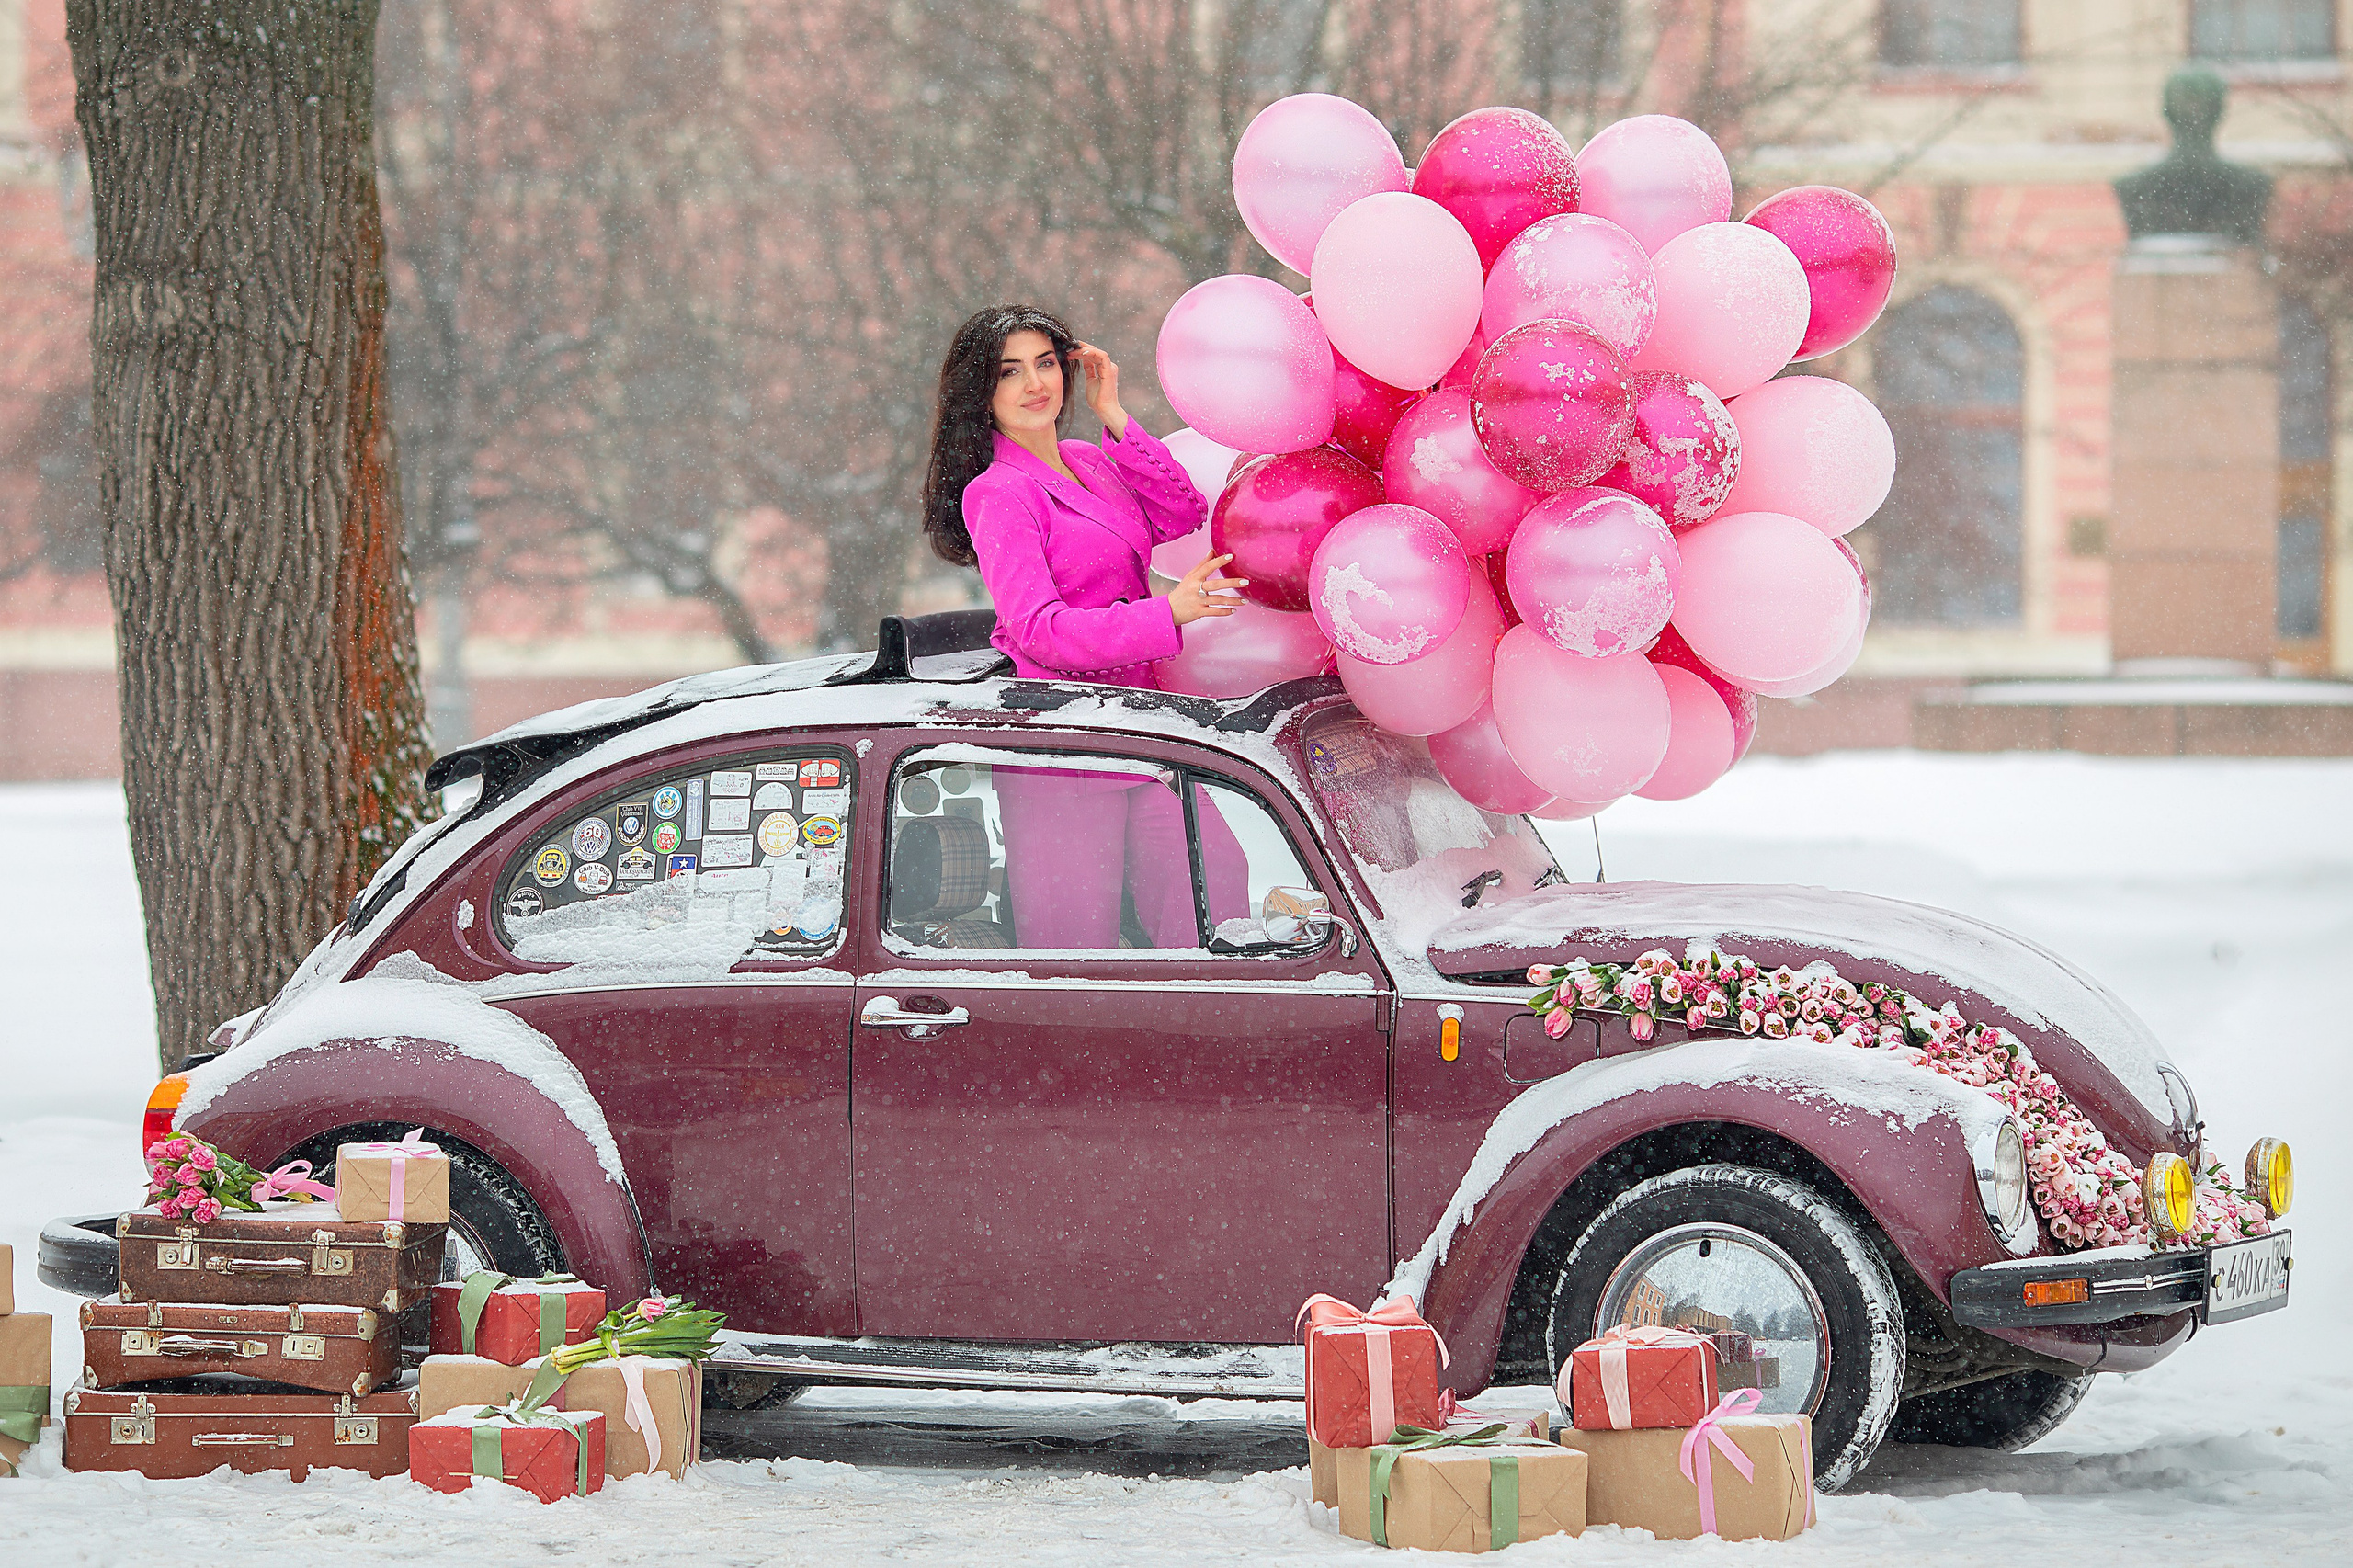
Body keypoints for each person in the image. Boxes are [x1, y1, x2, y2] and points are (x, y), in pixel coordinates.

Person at [918, 305, 1249, 949]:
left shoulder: (1088, 460)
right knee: (1076, 947)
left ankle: (1195, 1040)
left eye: (1045, 364)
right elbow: (1040, 631)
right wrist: (1168, 613)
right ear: (981, 392)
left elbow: (1181, 513)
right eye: (1010, 372)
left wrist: (1113, 413)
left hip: (1144, 725)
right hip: (1064, 744)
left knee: (1213, 885)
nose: (1035, 384)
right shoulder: (998, 492)